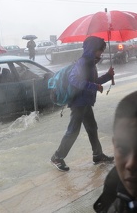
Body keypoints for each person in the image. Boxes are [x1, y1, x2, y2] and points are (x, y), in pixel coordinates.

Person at [50, 36, 115, 172]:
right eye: (100, 50)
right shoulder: (83, 62)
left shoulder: (91, 63)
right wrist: (95, 87)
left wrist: (108, 76)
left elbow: (94, 81)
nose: (101, 53)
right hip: (78, 102)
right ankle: (57, 157)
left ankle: (97, 155)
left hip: (85, 102)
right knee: (73, 131)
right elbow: (74, 80)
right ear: (93, 49)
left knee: (92, 128)